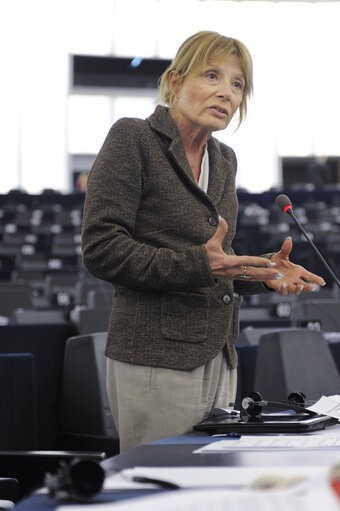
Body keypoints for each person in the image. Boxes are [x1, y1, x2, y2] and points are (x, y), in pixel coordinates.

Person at [81, 31, 325, 452]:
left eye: (237, 84)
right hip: (155, 356)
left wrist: (266, 271)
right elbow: (101, 248)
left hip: (220, 357)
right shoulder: (133, 139)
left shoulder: (224, 158)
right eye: (212, 75)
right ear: (175, 82)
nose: (226, 93)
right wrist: (201, 263)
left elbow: (219, 260)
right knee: (163, 491)